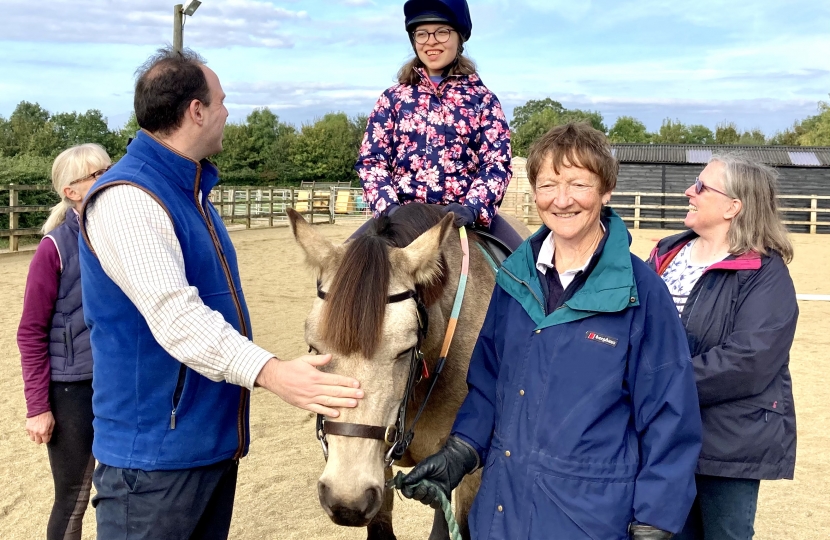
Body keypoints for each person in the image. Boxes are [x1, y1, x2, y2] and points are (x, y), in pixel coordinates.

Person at [78, 47, 364, 540]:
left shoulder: (192, 195)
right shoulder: (129, 198)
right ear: (196, 111)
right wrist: (273, 373)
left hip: (203, 448)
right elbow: (177, 317)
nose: (228, 112)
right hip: (153, 466)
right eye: (222, 101)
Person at [398, 122, 703, 539]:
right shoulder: (513, 280)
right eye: (548, 185)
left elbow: (671, 412)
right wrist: (461, 449)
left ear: (606, 191)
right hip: (501, 515)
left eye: (578, 183)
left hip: (589, 519)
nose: (562, 200)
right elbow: (488, 384)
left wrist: (656, 517)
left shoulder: (642, 293)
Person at [647, 154, 798, 540]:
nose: (688, 192)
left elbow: (748, 360)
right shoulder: (665, 255)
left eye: (700, 186)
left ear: (733, 206)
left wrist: (656, 384)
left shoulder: (765, 273)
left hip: (726, 446)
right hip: (660, 437)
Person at [354, 0, 521, 249]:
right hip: (398, 216)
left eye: (442, 31)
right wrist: (388, 208)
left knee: (524, 272)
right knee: (335, 272)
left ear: (459, 39)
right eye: (421, 33)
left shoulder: (483, 100)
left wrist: (473, 207)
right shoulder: (392, 99)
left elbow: (496, 163)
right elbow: (371, 161)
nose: (431, 41)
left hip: (465, 216)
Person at [17, 143, 111, 540]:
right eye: (95, 175)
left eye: (108, 168)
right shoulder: (52, 248)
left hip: (119, 379)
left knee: (120, 488)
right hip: (74, 386)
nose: (106, 178)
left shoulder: (124, 235)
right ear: (71, 191)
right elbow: (30, 331)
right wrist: (38, 406)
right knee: (73, 496)